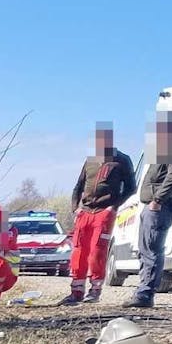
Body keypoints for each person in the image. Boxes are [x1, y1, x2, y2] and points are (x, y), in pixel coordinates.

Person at [126, 111, 172, 308]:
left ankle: (145, 294)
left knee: (152, 249)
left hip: (160, 205)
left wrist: (158, 199)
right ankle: (142, 290)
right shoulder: (171, 143)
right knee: (146, 248)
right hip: (154, 204)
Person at [62, 125, 136, 304]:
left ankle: (95, 290)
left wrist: (114, 207)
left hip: (104, 211)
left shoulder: (122, 160)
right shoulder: (90, 161)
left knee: (97, 251)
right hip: (85, 211)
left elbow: (131, 188)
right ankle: (76, 291)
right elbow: (78, 186)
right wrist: (75, 208)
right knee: (79, 251)